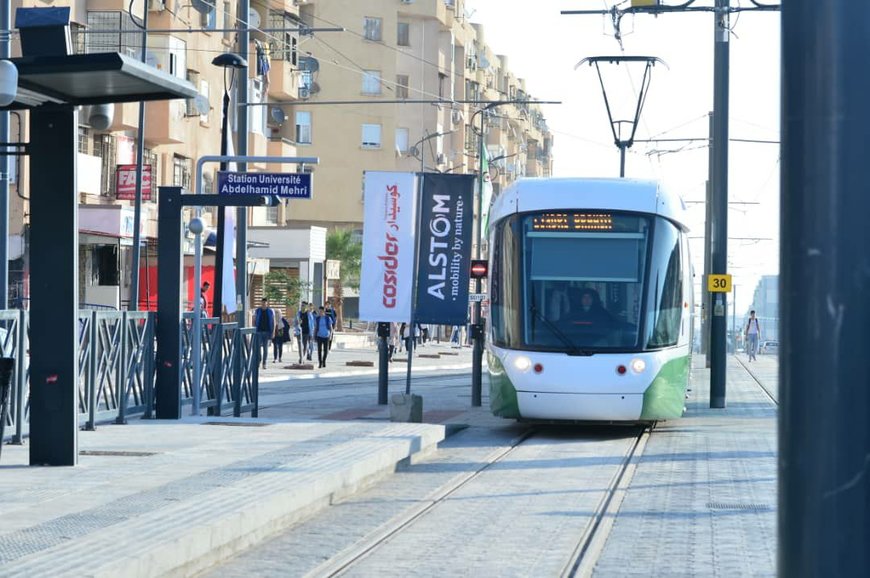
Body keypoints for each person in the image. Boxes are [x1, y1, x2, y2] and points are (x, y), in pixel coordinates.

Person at [254, 298, 275, 369]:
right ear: (261, 303)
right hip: (259, 331)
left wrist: (273, 332)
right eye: (262, 303)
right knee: (258, 348)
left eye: (265, 303)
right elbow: (254, 320)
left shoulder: (270, 311)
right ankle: (259, 359)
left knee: (265, 349)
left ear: (267, 303)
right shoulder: (258, 311)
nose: (263, 304)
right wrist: (253, 330)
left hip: (267, 332)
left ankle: (264, 363)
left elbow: (273, 322)